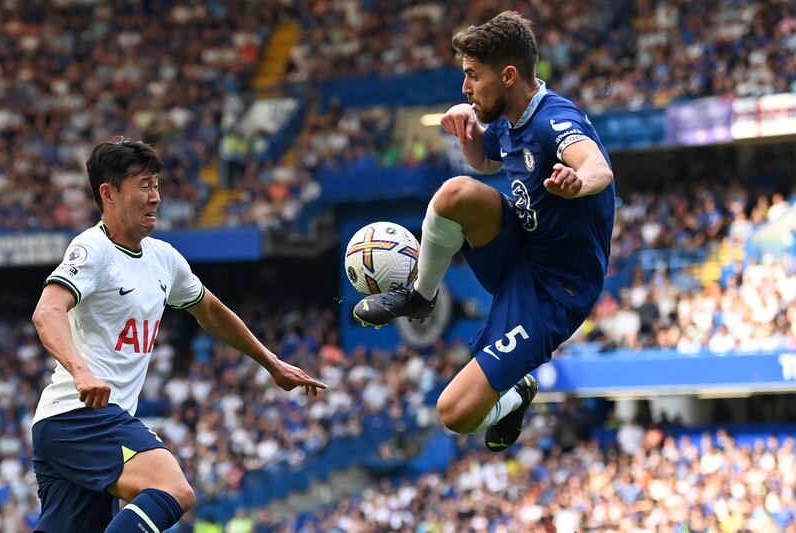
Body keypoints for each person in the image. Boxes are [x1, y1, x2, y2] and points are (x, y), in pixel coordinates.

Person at [30, 139, 327, 532]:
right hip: (80, 416)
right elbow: (47, 311)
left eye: (156, 185)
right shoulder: (92, 249)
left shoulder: (164, 259)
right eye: (143, 185)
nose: (155, 197)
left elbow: (212, 312)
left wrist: (270, 362)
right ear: (109, 192)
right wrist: (81, 372)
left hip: (72, 426)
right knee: (172, 488)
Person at [354, 12, 614, 452]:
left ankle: (515, 395)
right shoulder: (512, 116)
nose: (465, 87)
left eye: (473, 75)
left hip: (552, 292)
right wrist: (470, 136)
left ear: (508, 75)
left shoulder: (554, 121)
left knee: (454, 413)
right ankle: (421, 295)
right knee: (456, 192)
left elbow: (597, 166)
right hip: (522, 246)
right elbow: (489, 162)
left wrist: (577, 182)